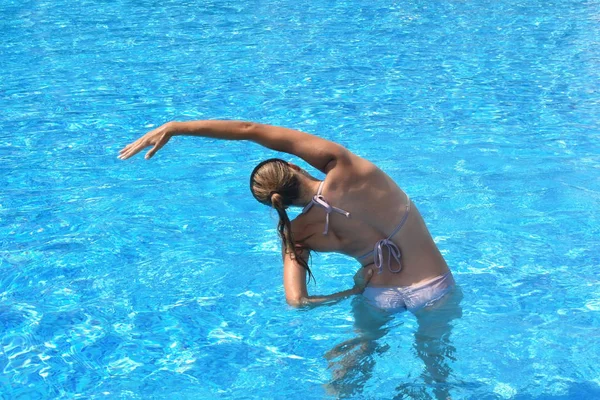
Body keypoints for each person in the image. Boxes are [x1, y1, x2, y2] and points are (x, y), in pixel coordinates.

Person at [119, 120, 462, 397]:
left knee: (351, 365)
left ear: (274, 204)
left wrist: (353, 292)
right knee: (436, 369)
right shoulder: (346, 168)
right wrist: (177, 127)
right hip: (431, 286)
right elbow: (250, 131)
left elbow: (297, 301)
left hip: (376, 297)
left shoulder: (295, 233)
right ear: (293, 165)